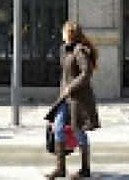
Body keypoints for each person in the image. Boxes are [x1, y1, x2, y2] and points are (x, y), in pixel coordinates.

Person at [43, 20, 100, 178]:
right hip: (65, 98)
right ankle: (60, 168)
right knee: (59, 127)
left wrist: (71, 87)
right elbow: (65, 76)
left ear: (69, 34)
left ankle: (85, 169)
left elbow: (86, 73)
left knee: (78, 130)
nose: (61, 34)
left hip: (78, 98)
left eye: (63, 31)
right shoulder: (65, 50)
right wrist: (62, 93)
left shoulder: (80, 51)